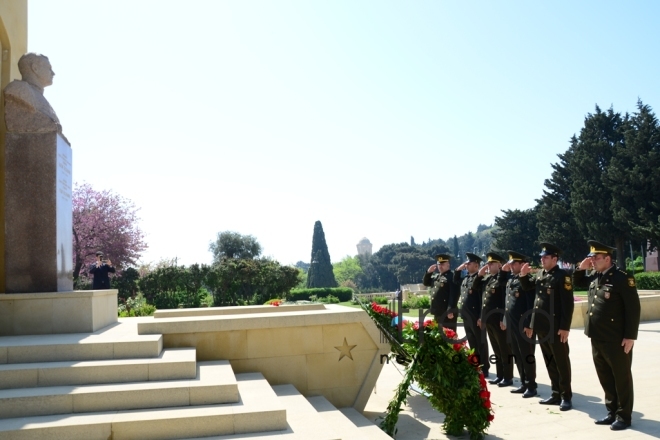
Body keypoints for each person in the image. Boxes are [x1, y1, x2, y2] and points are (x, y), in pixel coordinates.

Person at [573, 241, 641, 431]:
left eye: (596, 258)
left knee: (622, 378)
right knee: (605, 377)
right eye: (591, 258)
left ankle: (624, 416)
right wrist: (581, 268)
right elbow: (575, 283)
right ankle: (612, 412)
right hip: (597, 337)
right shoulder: (596, 277)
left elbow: (633, 309)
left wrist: (630, 336)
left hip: (616, 339)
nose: (592, 261)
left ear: (607, 259)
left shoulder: (622, 278)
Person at [520, 242, 574, 411]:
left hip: (556, 327)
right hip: (542, 326)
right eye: (541, 257)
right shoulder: (541, 274)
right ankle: (555, 393)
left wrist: (565, 327)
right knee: (550, 361)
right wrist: (522, 275)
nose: (542, 260)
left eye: (545, 257)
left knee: (561, 362)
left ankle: (566, 396)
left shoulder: (562, 276)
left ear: (555, 259)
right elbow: (528, 287)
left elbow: (568, 304)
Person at [499, 251, 537, 397]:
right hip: (512, 323)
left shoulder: (527, 281)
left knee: (527, 355)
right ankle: (523, 383)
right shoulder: (511, 280)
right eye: (510, 263)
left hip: (523, 323)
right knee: (517, 354)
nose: (511, 265)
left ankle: (531, 386)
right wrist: (504, 319)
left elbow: (530, 304)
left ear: (522, 264)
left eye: (514, 263)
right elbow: (507, 302)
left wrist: (529, 324)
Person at [475, 252, 513, 387]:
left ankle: (508, 377)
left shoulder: (504, 279)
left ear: (499, 265)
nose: (488, 266)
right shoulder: (488, 279)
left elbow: (506, 301)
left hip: (499, 320)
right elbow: (482, 298)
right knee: (496, 349)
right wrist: (481, 317)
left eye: (491, 264)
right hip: (489, 320)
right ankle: (500, 375)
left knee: (504, 350)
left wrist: (505, 318)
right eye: (488, 263)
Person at [3, 53, 62, 133]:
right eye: (49, 68)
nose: (53, 73)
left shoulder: (39, 96)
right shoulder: (18, 89)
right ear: (35, 68)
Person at [454, 252, 490, 377]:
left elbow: (482, 300)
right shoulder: (466, 279)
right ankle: (477, 365)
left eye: (469, 263)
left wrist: (481, 316)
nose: (466, 265)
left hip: (476, 316)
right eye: (466, 263)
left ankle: (485, 368)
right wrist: (459, 269)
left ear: (476, 265)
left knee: (481, 343)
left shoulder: (480, 280)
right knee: (472, 342)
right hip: (466, 316)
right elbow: (455, 279)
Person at [423, 253, 458, 331]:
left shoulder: (452, 277)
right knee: (439, 335)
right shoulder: (437, 277)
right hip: (437, 311)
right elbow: (426, 283)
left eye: (442, 264)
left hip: (447, 313)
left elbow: (454, 295)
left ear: (448, 264)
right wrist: (429, 272)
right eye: (439, 264)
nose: (440, 266)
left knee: (449, 335)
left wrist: (450, 310)